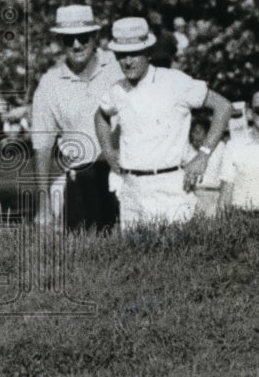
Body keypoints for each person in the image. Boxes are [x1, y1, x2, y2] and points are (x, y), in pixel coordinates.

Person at [95, 17, 231, 227]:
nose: (127, 61)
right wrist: (108, 150)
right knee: (135, 257)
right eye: (121, 55)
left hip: (171, 188)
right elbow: (101, 115)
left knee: (178, 254)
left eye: (134, 53)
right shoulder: (117, 90)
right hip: (131, 189)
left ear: (149, 53)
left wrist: (203, 155)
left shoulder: (174, 81)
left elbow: (223, 106)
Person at [31, 5, 123, 230]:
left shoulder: (118, 66)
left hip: (126, 173)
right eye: (68, 39)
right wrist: (44, 206)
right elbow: (42, 147)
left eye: (82, 37)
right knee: (86, 251)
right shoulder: (50, 83)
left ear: (95, 36)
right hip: (82, 179)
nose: (76, 45)